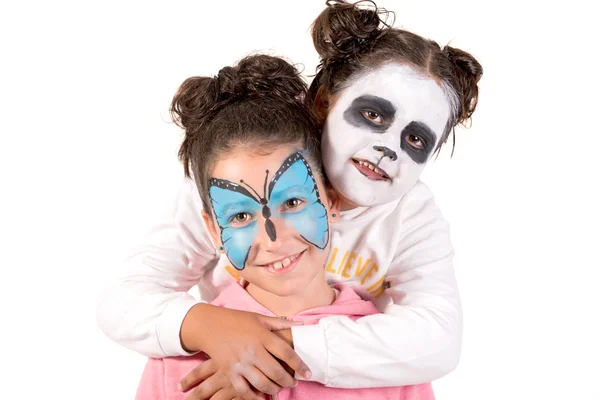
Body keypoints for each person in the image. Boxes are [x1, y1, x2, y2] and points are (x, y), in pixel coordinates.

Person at [97, 1, 483, 399]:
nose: (388, 148)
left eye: (416, 139)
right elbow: (124, 300)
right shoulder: (237, 168)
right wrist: (210, 327)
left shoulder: (412, 213)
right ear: (322, 102)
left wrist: (278, 348)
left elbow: (437, 338)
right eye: (372, 115)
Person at [135, 53, 434, 400]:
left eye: (292, 203)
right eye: (240, 217)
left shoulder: (394, 358)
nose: (273, 239)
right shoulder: (178, 358)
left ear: (331, 200)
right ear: (213, 231)